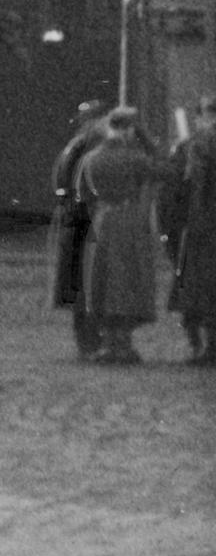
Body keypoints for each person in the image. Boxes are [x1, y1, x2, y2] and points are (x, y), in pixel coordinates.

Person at [76, 106, 161, 364]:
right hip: (127, 221)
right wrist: (146, 140)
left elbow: (83, 191)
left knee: (103, 279)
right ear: (128, 130)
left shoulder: (91, 159)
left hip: (101, 220)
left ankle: (109, 341)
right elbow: (163, 169)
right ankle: (123, 343)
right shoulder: (134, 158)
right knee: (125, 279)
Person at [50, 99, 111, 360]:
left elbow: (61, 182)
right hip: (86, 219)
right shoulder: (92, 146)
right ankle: (90, 340)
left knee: (85, 282)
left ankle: (88, 340)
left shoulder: (77, 145)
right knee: (89, 282)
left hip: (77, 219)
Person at [162, 93, 216, 365]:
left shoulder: (193, 147)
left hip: (200, 230)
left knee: (197, 291)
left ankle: (201, 346)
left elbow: (176, 194)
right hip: (201, 228)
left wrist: (172, 232)